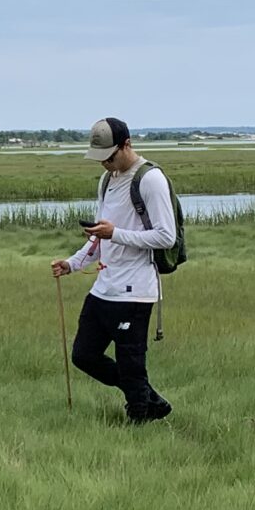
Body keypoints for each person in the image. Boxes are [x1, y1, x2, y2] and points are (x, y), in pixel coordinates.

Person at [50, 116, 177, 423]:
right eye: (100, 159)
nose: (105, 164)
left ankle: (140, 419)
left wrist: (115, 233)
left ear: (127, 145)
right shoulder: (107, 181)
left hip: (135, 291)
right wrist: (73, 263)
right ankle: (150, 400)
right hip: (104, 287)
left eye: (109, 157)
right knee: (83, 355)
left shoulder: (150, 179)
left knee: (132, 362)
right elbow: (100, 234)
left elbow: (166, 236)